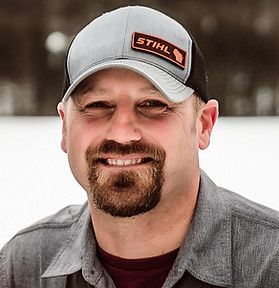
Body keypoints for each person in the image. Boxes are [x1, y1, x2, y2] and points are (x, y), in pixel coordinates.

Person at [1, 5, 279, 288]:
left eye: (153, 104)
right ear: (65, 127)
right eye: (97, 105)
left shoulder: (270, 263)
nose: (122, 133)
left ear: (204, 125)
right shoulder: (22, 267)